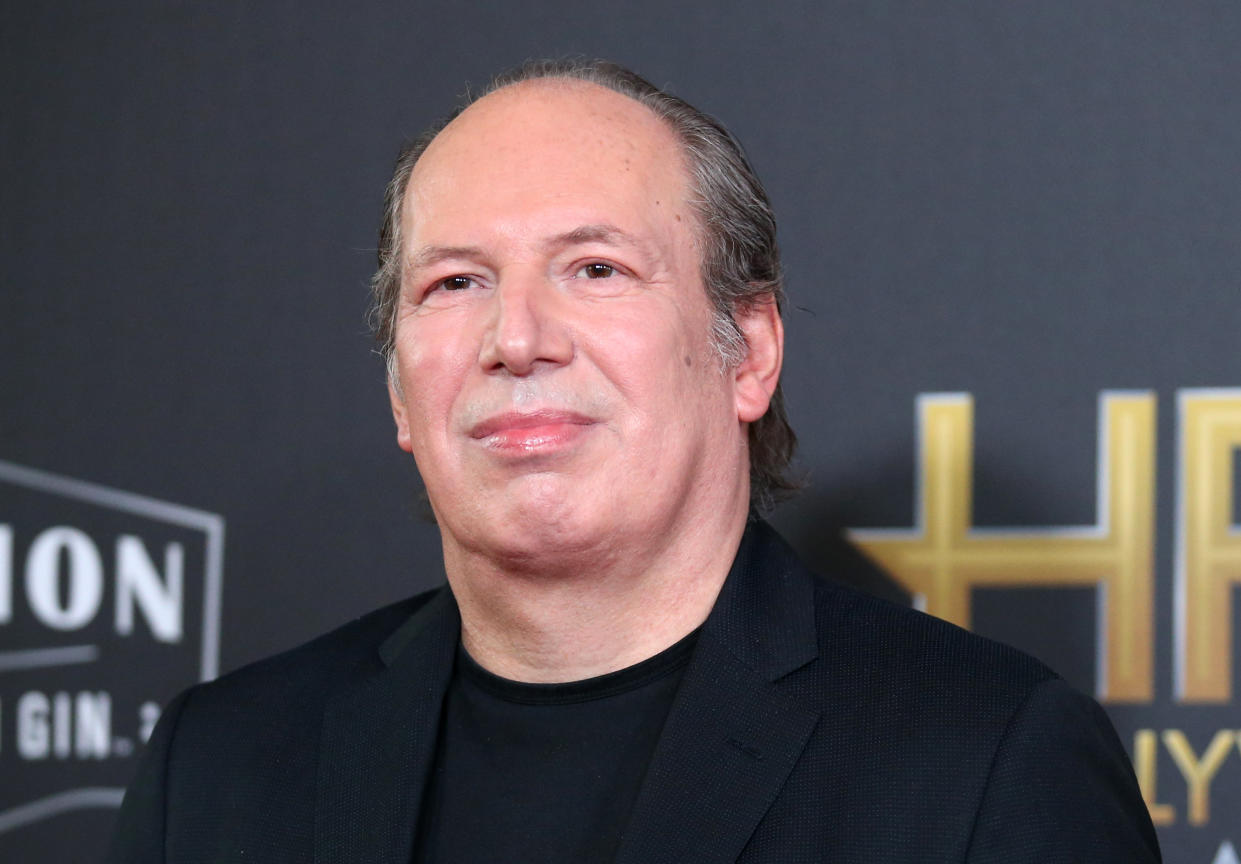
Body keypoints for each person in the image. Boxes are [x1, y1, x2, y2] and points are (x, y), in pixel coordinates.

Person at [108, 59, 1161, 863]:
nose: (516, 338)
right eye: (455, 284)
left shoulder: (981, 763)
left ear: (746, 352)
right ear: (398, 391)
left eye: (594, 268)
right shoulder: (218, 768)